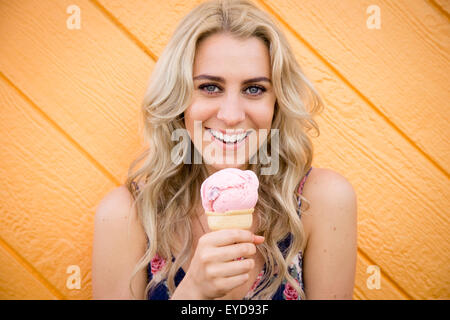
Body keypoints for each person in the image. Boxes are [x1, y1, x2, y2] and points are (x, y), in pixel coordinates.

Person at [92, 0, 357, 300]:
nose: (231, 116)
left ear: (277, 103)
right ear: (178, 97)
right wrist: (192, 293)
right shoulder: (124, 216)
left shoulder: (322, 202)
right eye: (210, 87)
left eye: (254, 89)